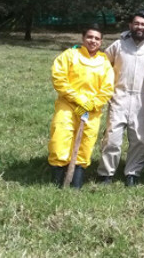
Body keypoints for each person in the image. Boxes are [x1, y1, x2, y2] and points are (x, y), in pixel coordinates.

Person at [97, 11, 144, 186]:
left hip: (143, 101)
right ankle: (106, 174)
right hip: (119, 97)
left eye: (143, 24)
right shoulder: (118, 46)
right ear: (130, 25)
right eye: (136, 23)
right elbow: (101, 62)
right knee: (112, 138)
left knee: (140, 139)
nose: (139, 27)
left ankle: (132, 173)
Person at [48, 25, 114, 189]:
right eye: (90, 37)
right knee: (60, 140)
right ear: (83, 38)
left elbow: (107, 89)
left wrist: (92, 103)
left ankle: (76, 183)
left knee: (85, 144)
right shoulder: (69, 55)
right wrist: (77, 99)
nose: (93, 41)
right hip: (67, 106)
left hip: (91, 111)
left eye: (97, 38)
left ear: (101, 41)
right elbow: (59, 79)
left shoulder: (104, 62)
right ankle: (57, 183)